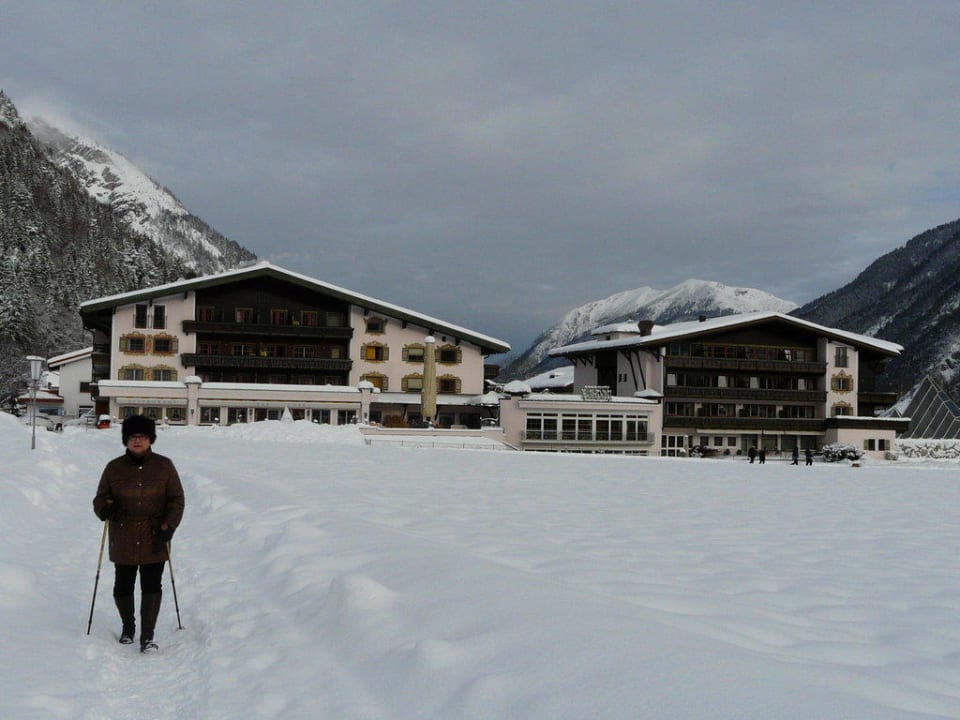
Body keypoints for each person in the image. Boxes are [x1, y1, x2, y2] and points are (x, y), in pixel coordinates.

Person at [93, 415, 185, 653]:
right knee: (123, 584)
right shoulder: (114, 467)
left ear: (150, 439)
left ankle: (147, 636)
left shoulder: (165, 465)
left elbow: (177, 500)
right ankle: (128, 627)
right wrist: (105, 509)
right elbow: (100, 498)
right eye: (132, 436)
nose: (137, 441)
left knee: (152, 584)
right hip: (123, 533)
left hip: (156, 534)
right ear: (126, 439)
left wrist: (170, 525)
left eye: (142, 436)